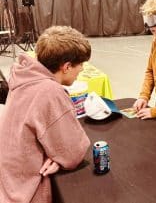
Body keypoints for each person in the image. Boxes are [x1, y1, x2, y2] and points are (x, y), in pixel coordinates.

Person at [0, 26, 91, 202]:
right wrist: (59, 156)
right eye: (80, 64)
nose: (81, 69)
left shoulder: (24, 76)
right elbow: (73, 153)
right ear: (66, 66)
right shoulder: (50, 91)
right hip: (24, 192)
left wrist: (56, 156)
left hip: (7, 180)